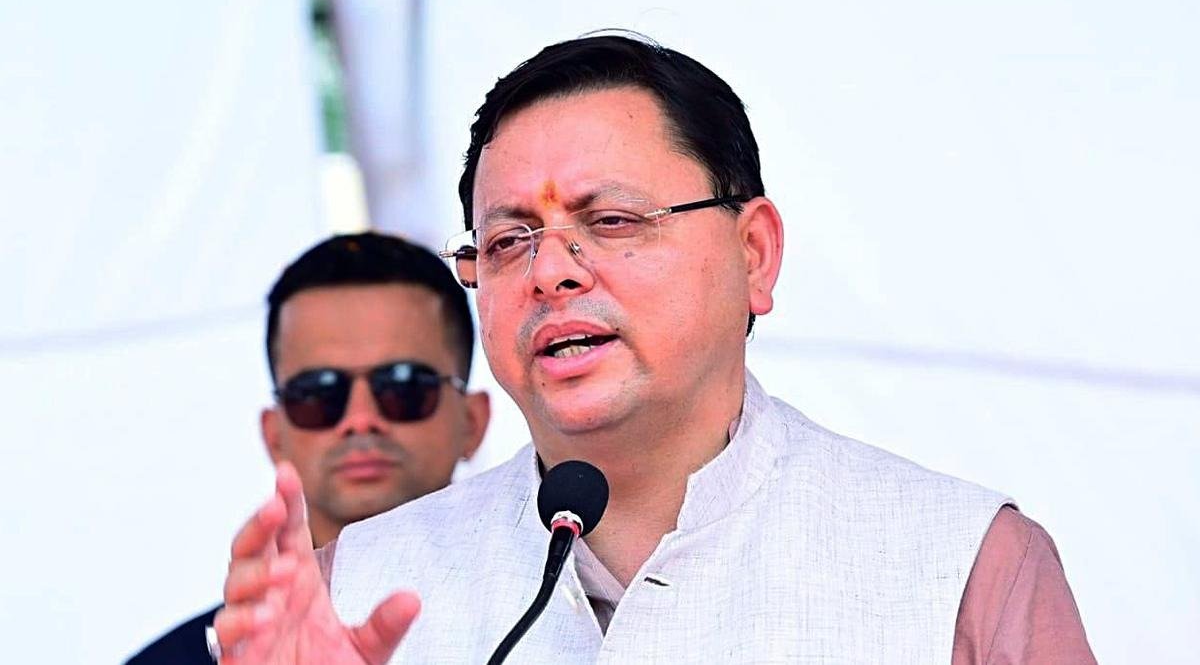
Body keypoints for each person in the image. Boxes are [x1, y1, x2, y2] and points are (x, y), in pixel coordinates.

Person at [213, 34, 1095, 663]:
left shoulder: (961, 565)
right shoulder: (353, 591)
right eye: (509, 240)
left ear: (754, 254)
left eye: (611, 221)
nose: (551, 271)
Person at [126, 233, 489, 664]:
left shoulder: (554, 634)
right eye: (318, 394)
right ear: (273, 435)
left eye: (402, 387)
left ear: (473, 422)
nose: (360, 419)